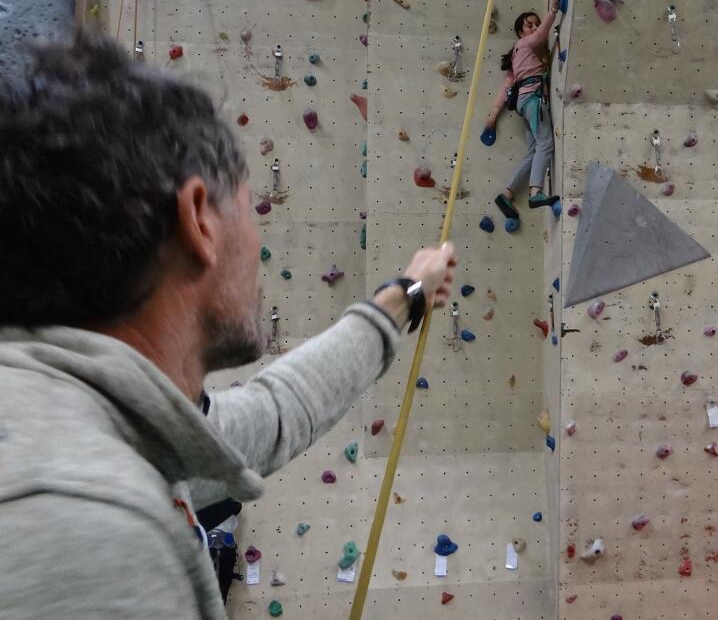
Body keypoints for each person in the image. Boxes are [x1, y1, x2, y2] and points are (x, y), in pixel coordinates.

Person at [0, 31, 458, 620]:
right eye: (246, 211)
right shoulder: (87, 531)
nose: (257, 248)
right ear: (199, 220)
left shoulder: (85, 420)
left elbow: (275, 414)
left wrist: (405, 297)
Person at [485, 0, 561, 222]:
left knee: (534, 150)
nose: (535, 28)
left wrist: (492, 116)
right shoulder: (526, 43)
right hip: (533, 100)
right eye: (530, 25)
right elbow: (541, 35)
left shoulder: (518, 56)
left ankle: (507, 193)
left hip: (523, 105)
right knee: (546, 144)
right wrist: (553, 12)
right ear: (520, 33)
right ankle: (535, 193)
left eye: (537, 24)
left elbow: (505, 88)